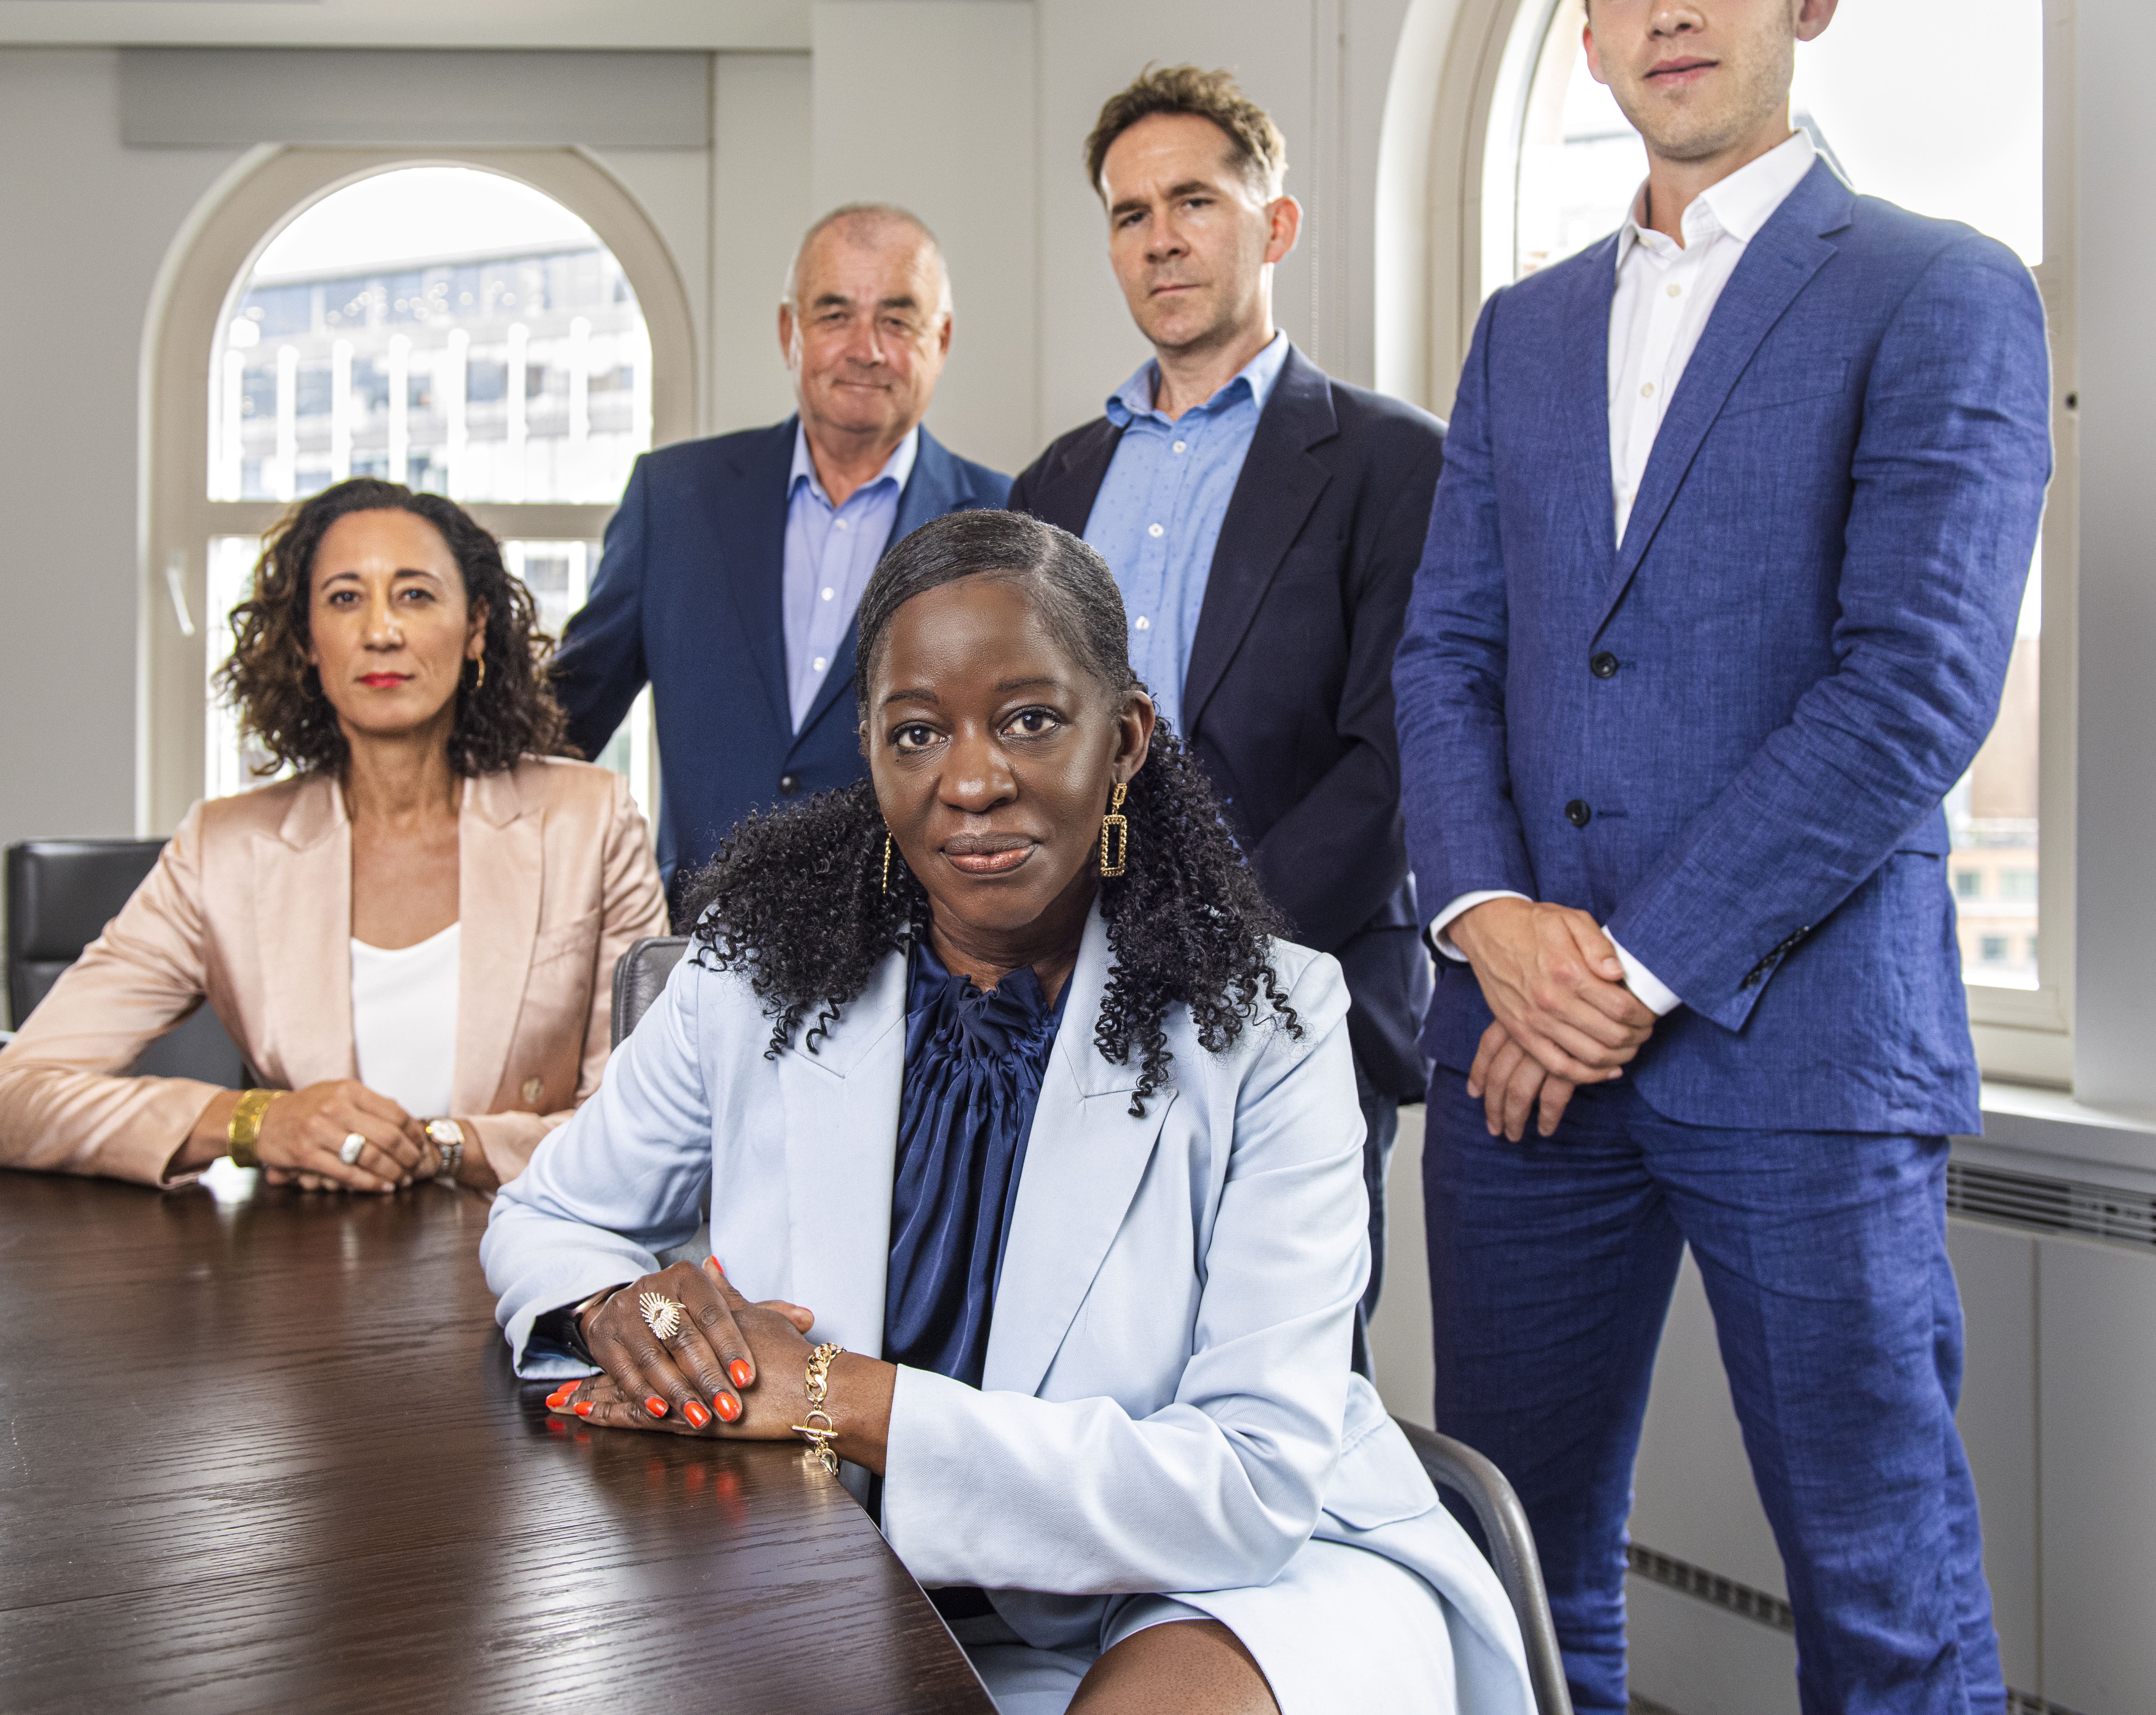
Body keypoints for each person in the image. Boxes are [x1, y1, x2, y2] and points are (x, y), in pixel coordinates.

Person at [483, 510, 1533, 1715]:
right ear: (870, 750)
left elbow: (1243, 1485)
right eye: (916, 732)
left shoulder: (1272, 1023)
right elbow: (550, 1217)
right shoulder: (750, 972)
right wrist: (622, 1310)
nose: (972, 781)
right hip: (830, 1570)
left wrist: (833, 1393)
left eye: (1030, 720)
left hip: (1221, 1574)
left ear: (1125, 738)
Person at [1395, 0, 2050, 1715]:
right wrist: (1487, 917)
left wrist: (1618, 971)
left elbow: (1911, 687)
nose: (1665, 5)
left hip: (1805, 1049)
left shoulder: (1934, 288)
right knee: (1512, 1577)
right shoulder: (1522, 332)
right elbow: (1443, 653)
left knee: (1881, 1589)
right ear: (1592, 38)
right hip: (1514, 1059)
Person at [1013, 66, 1443, 1320]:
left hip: (1297, 1000)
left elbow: (1399, 757)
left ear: (1277, 223)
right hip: (1068, 1011)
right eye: (1130, 213)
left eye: (1194, 201)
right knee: (1074, 1367)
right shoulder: (1053, 483)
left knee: (1287, 1383)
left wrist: (1206, 947)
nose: (1162, 239)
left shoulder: (1394, 462)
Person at [0, 479, 665, 1195]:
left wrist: (445, 1148)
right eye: (345, 598)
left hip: (532, 1245)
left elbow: (648, 1127)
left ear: (476, 627)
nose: (381, 631)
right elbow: (6, 1102)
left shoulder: (591, 819)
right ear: (306, 640)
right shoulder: (223, 850)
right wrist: (254, 1121)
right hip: (311, 1254)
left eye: (415, 595)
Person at [548, 202, 1010, 893]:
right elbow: (567, 721)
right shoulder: (672, 498)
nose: (866, 349)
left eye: (897, 320)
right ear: (790, 331)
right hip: (702, 931)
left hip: (916, 940)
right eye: (835, 315)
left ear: (940, 340)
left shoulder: (1006, 521)